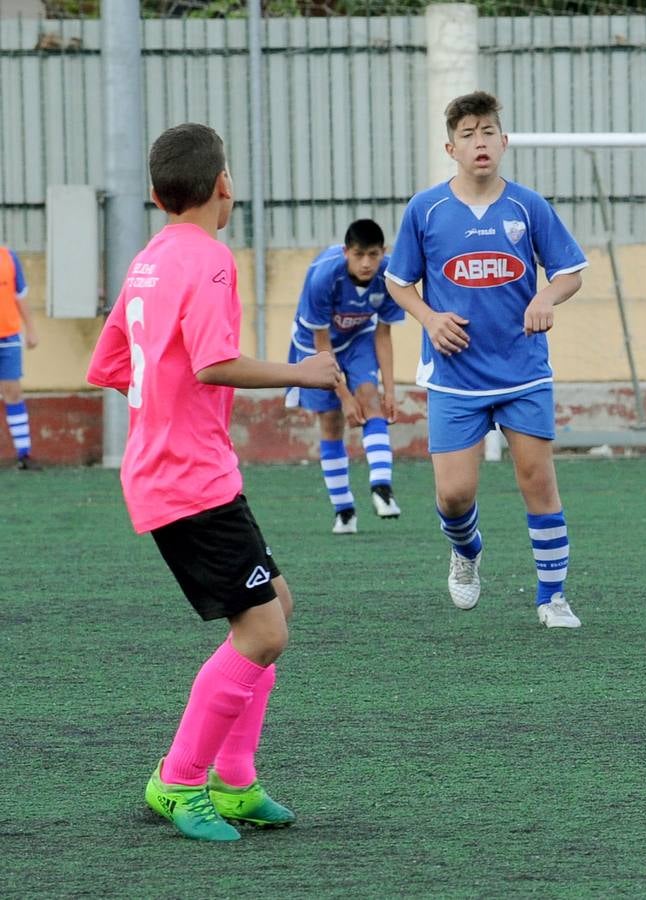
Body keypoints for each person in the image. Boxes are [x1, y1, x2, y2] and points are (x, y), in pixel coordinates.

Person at [86, 123, 342, 841]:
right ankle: (179, 779)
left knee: (276, 609)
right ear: (223, 185)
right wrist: (301, 372)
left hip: (186, 471)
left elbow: (108, 367)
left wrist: (165, 411)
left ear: (154, 193)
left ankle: (234, 780)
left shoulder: (147, 261)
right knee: (263, 632)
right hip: (187, 480)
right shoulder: (211, 261)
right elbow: (210, 363)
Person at [384, 90, 587, 629]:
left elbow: (570, 271)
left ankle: (553, 598)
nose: (480, 142)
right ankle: (467, 552)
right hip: (454, 377)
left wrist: (545, 297)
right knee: (453, 495)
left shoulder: (528, 206)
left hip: (523, 371)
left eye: (488, 132)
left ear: (504, 141)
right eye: (468, 135)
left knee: (536, 480)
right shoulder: (425, 209)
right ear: (451, 147)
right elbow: (398, 282)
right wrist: (429, 319)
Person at [286, 219, 406, 534]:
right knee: (332, 422)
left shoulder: (390, 276)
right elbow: (322, 342)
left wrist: (389, 390)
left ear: (384, 252)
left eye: (373, 255)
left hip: (358, 339)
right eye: (359, 255)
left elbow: (383, 335)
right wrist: (344, 396)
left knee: (370, 400)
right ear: (346, 252)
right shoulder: (324, 276)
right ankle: (344, 511)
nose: (366, 263)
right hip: (315, 345)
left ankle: (382, 488)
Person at [0, 241, 40, 469]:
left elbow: (20, 295)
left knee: (13, 392)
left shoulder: (8, 256)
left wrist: (31, 329)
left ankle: (24, 454)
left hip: (8, 337)